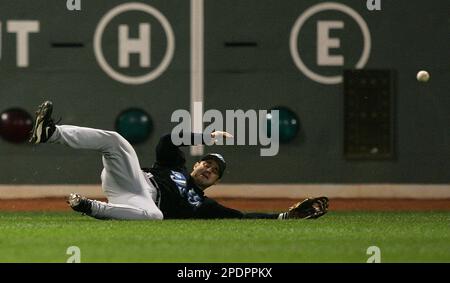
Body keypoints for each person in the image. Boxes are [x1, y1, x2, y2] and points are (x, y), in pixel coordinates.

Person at [29, 101, 329, 220]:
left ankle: (89, 207)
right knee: (116, 141)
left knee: (155, 217)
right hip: (134, 180)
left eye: (215, 170)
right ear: (196, 164)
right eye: (207, 163)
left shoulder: (204, 205)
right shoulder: (174, 166)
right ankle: (50, 133)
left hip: (138, 204)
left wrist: (283, 217)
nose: (209, 168)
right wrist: (204, 135)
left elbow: (240, 217)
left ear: (216, 181)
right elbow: (167, 140)